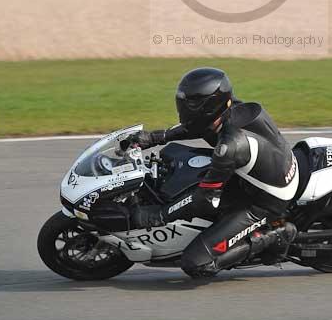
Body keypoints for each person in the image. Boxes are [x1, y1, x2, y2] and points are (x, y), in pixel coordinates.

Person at [121, 67, 298, 279]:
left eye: (189, 104)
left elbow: (204, 199)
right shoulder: (229, 109)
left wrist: (158, 215)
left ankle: (276, 236)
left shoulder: (229, 147)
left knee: (196, 264)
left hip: (264, 202)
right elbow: (196, 126)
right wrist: (156, 137)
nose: (182, 107)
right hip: (256, 173)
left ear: (205, 107)